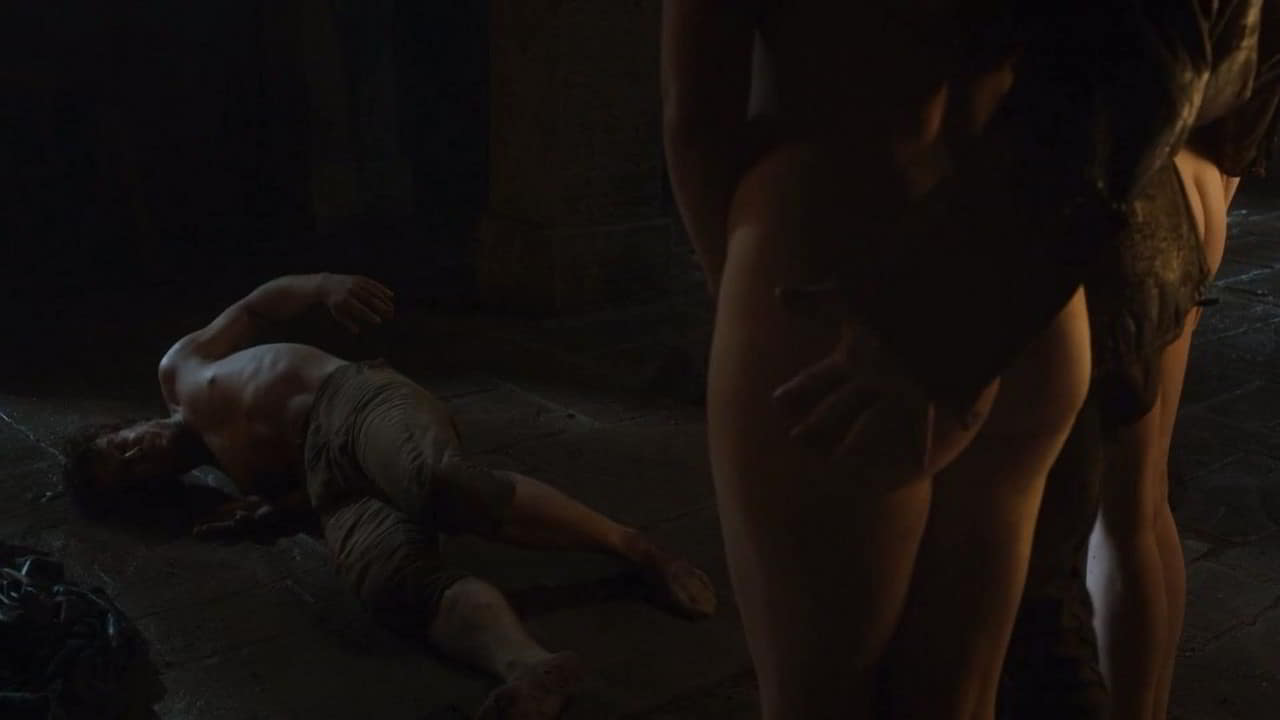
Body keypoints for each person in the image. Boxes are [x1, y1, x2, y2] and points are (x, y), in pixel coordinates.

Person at [664, 1, 1220, 717]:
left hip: (834, 248)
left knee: (821, 700)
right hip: (1018, 284)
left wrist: (744, 311)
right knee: (960, 696)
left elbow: (697, 117)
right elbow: (1147, 65)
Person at [59, 272, 717, 720]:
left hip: (355, 402)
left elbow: (255, 309)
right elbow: (304, 494)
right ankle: (528, 668)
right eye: (133, 473)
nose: (139, 455)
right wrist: (274, 509)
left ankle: (637, 547)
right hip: (332, 486)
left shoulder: (181, 369)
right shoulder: (235, 479)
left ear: (124, 425)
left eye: (124, 446)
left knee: (433, 483)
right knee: (388, 586)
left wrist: (324, 285)